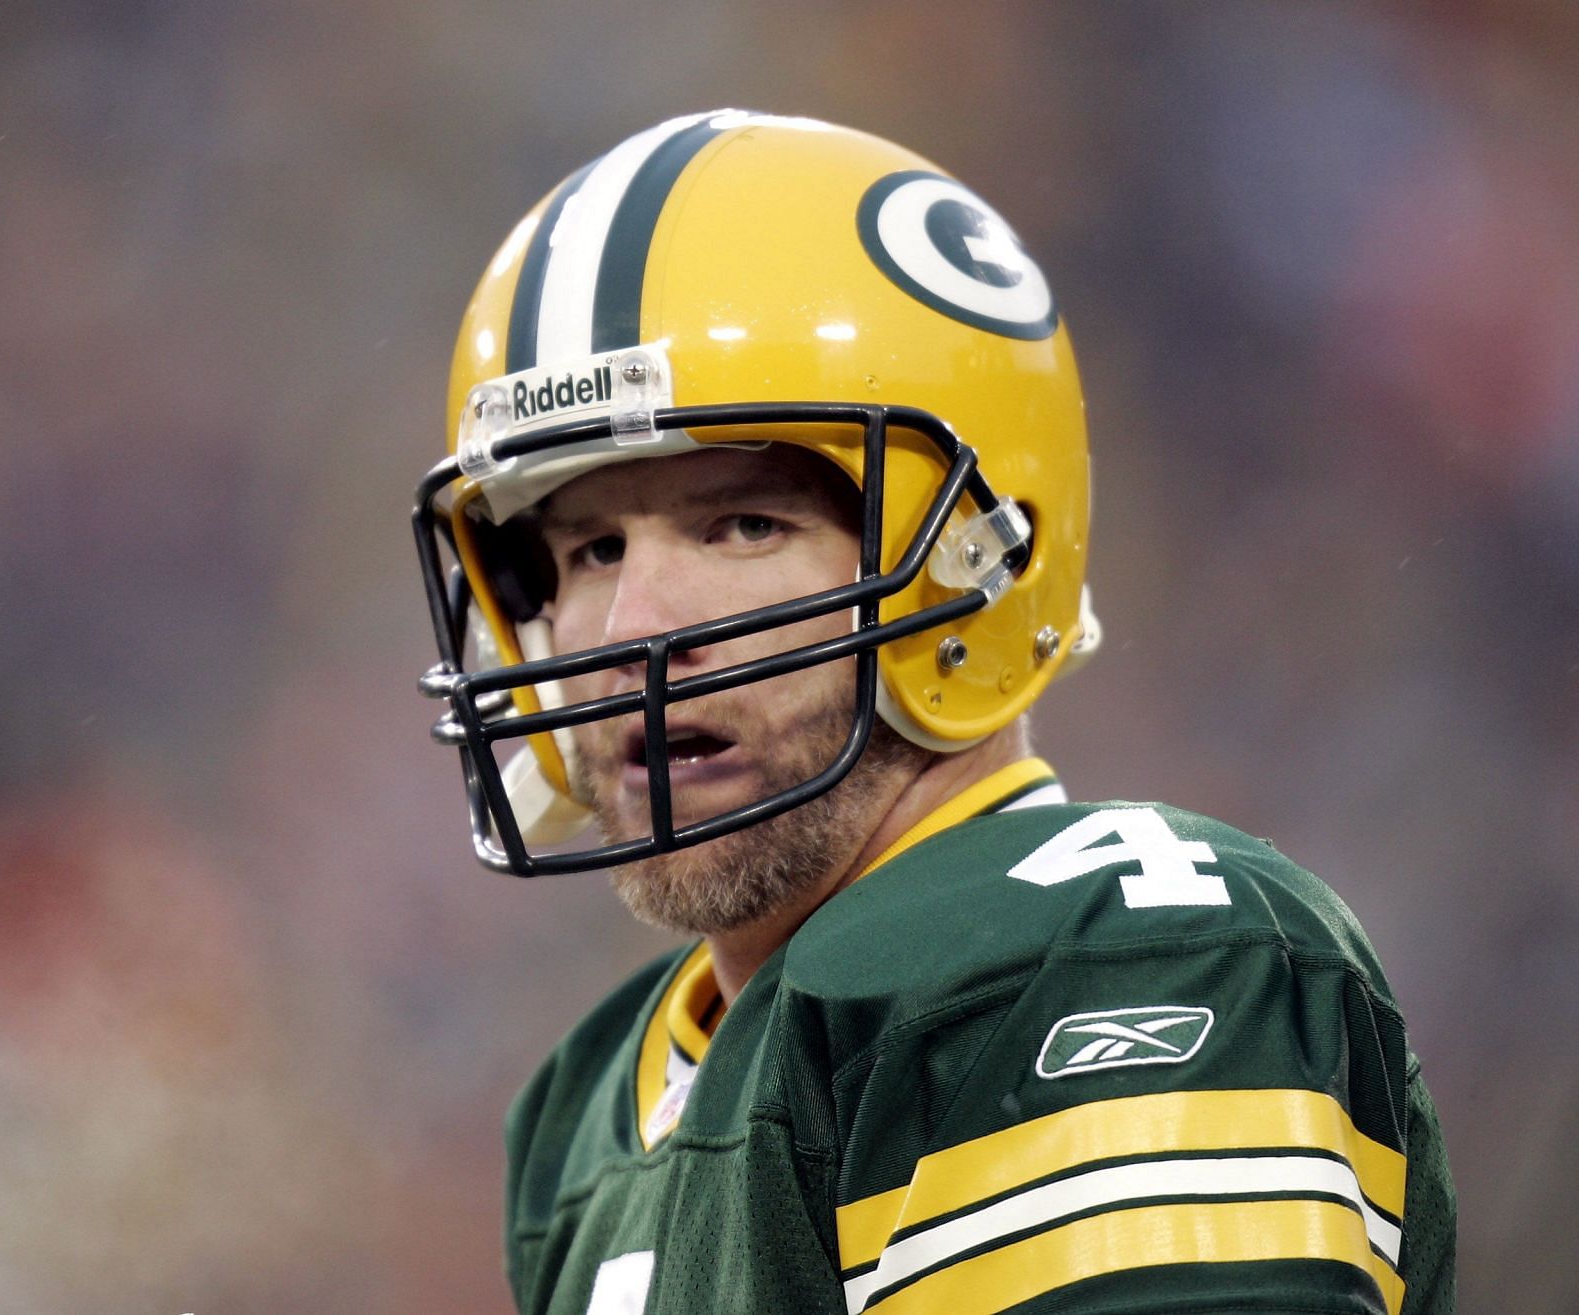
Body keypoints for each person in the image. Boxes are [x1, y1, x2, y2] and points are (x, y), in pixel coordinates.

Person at [411, 111, 1455, 1315]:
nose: (627, 623)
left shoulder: (1099, 960)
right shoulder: (593, 1102)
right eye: (589, 547)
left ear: (977, 554)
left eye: (742, 525)